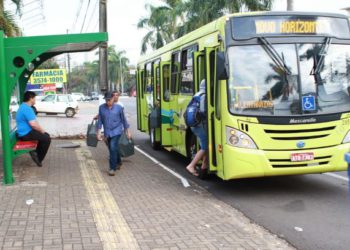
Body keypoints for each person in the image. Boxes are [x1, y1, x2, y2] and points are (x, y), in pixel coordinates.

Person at [96, 91, 132, 176]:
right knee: (113, 148)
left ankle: (112, 168)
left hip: (116, 131)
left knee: (112, 147)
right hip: (107, 132)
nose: (108, 101)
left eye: (109, 100)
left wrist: (128, 131)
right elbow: (100, 121)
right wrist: (98, 132)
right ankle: (118, 161)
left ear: (113, 98)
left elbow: (124, 120)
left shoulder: (119, 108)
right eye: (106, 100)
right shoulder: (101, 108)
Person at [16, 91, 51, 167]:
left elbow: (34, 122)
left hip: (24, 133)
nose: (35, 100)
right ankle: (38, 158)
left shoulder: (23, 106)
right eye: (34, 98)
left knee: (45, 136)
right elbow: (33, 125)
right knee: (47, 138)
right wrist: (42, 131)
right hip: (26, 134)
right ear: (30, 98)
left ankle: (35, 153)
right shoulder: (27, 109)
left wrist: (42, 131)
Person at [186, 80, 208, 176]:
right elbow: (203, 111)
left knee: (206, 145)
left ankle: (204, 166)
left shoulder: (196, 94)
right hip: (200, 125)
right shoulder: (204, 95)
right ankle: (191, 165)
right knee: (205, 146)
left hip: (193, 125)